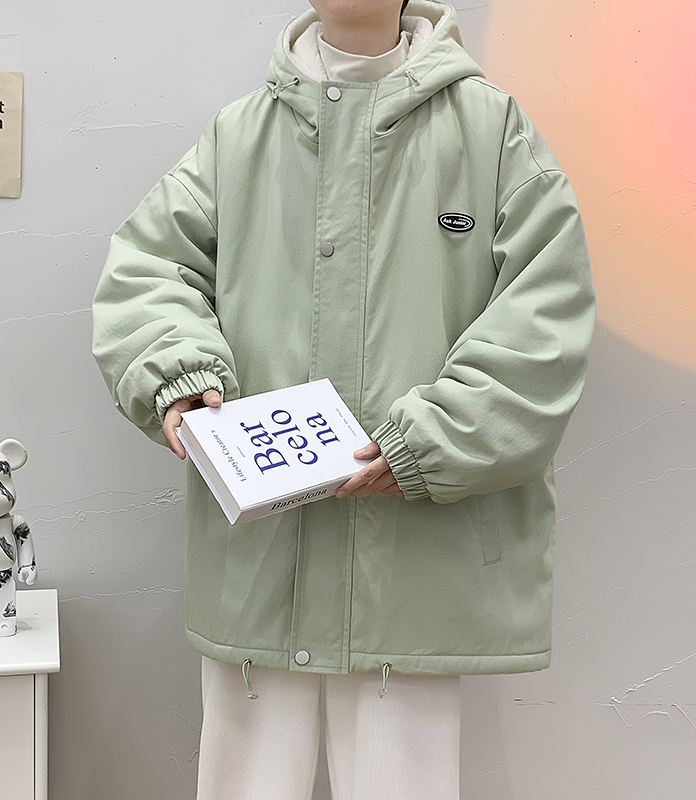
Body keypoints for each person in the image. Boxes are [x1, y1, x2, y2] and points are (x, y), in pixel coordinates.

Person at [92, 0, 596, 797]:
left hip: (414, 562)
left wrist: (429, 442)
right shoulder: (238, 137)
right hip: (263, 546)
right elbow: (148, 272)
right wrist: (177, 376)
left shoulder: (491, 131)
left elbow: (545, 316)